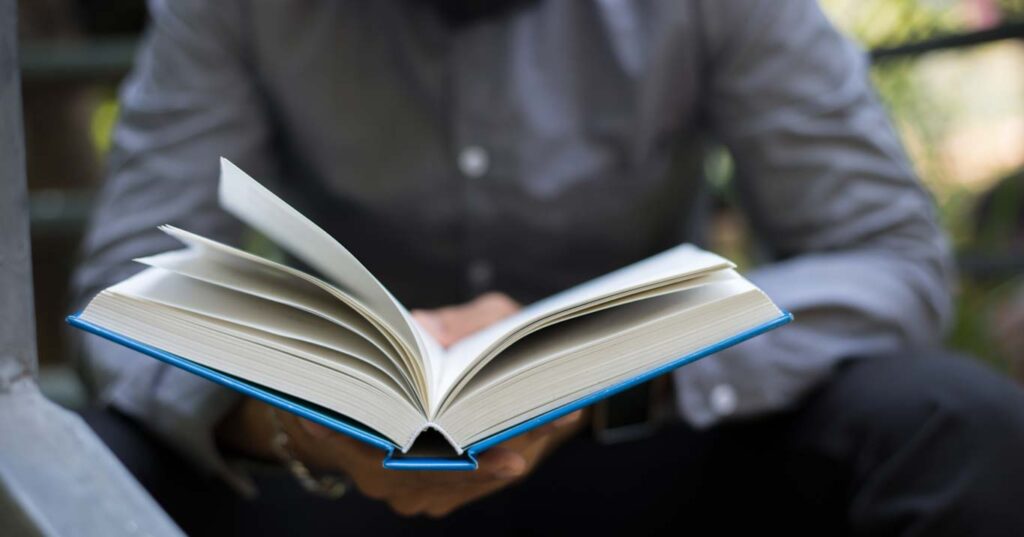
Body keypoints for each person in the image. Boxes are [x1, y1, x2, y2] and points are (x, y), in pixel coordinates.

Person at [72, 0, 1024, 535]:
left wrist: (610, 366)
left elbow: (885, 255)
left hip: (658, 448)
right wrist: (291, 417)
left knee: (951, 420)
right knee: (87, 468)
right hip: (340, 485)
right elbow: (132, 280)